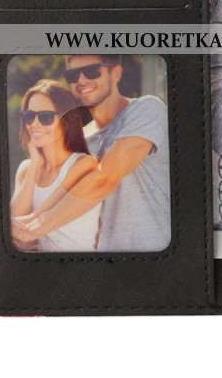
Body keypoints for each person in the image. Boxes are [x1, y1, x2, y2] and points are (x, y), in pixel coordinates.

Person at [12, 55, 170, 252]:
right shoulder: (82, 142)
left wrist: (38, 226)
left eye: (92, 71)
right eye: (73, 75)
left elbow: (105, 178)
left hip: (153, 257)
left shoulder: (146, 110)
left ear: (116, 73)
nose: (81, 80)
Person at [9, 80, 100, 251]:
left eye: (45, 117)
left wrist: (19, 232)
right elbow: (14, 235)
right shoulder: (26, 169)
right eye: (29, 116)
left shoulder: (84, 165)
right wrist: (35, 165)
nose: (34, 124)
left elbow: (29, 226)